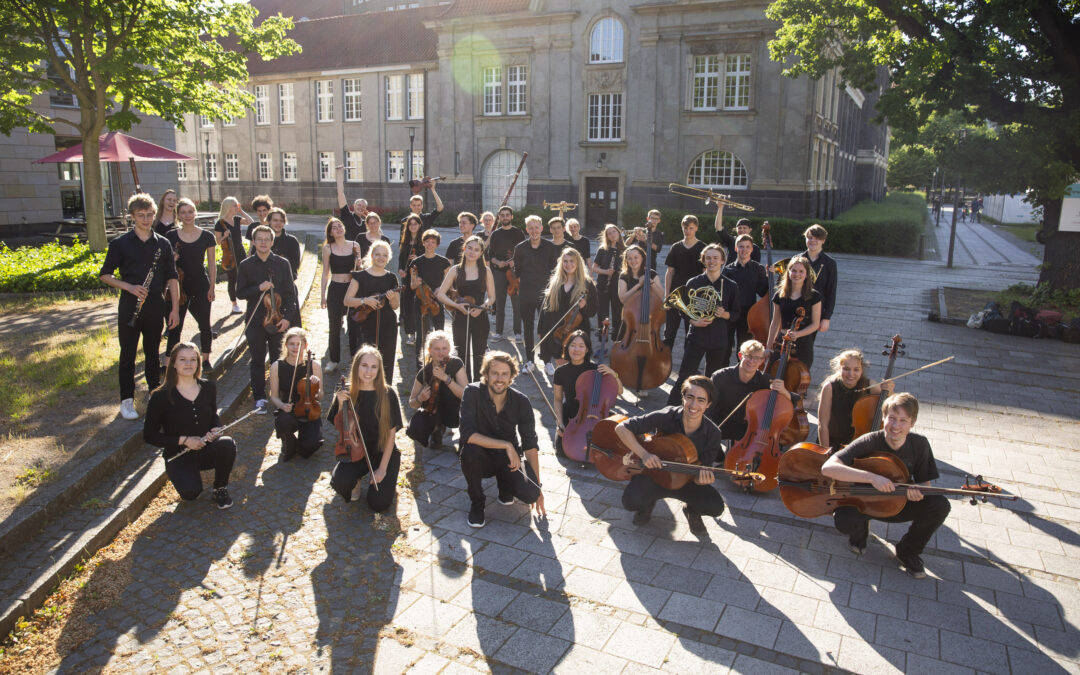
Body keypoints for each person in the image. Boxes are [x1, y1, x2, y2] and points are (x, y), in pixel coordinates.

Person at [821, 393, 950, 578]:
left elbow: (924, 483)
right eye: (892, 418)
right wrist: (872, 478)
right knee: (844, 520)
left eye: (903, 420)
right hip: (863, 503)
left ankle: (908, 550)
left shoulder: (919, 444)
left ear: (912, 423)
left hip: (897, 503)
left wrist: (918, 491)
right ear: (883, 418)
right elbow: (828, 467)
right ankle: (860, 532)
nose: (896, 426)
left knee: (939, 505)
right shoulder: (870, 440)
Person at [99, 192, 180, 420]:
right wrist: (129, 287)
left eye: (149, 215)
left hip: (155, 304)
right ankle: (127, 400)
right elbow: (105, 275)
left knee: (153, 353)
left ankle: (154, 396)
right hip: (129, 304)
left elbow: (172, 278)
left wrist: (174, 309)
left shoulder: (163, 244)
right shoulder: (120, 244)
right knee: (128, 354)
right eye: (141, 215)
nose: (146, 219)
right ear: (133, 216)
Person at [616, 376, 726, 535]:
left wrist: (701, 480)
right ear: (683, 398)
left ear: (708, 405)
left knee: (715, 506)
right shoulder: (667, 415)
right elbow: (621, 428)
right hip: (654, 476)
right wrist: (644, 454)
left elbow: (702, 469)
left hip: (687, 482)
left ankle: (692, 511)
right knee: (631, 501)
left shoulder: (713, 433)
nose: (694, 405)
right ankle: (647, 504)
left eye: (701, 400)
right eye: (690, 397)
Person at [143, 342, 235, 509]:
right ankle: (184, 475)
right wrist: (184, 440)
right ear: (174, 364)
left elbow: (213, 415)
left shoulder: (208, 387)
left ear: (198, 363)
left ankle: (220, 488)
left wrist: (216, 428)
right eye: (183, 359)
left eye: (193, 359)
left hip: (205, 448)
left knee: (227, 444)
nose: (188, 364)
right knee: (191, 493)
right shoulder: (160, 396)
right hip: (179, 454)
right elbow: (149, 436)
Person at [458, 351, 544, 528]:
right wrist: (506, 445)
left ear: (511, 376)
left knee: (530, 494)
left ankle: (505, 487)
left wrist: (537, 486)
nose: (499, 378)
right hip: (481, 456)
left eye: (504, 374)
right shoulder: (472, 392)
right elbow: (467, 434)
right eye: (495, 373)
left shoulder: (522, 401)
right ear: (486, 374)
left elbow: (530, 444)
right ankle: (477, 503)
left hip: (507, 459)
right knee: (469, 452)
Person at [327, 346, 402, 512]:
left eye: (374, 367)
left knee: (378, 504)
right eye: (364, 365)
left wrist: (382, 469)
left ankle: (386, 479)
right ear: (356, 366)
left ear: (379, 369)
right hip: (355, 451)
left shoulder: (388, 394)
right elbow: (339, 425)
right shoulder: (345, 391)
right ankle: (357, 479)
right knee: (341, 482)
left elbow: (391, 436)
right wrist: (340, 404)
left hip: (382, 451)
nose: (369, 371)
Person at [236, 224, 301, 413]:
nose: (263, 243)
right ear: (254, 242)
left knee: (277, 359)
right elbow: (239, 293)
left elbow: (290, 294)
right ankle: (259, 398)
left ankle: (278, 395)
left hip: (278, 320)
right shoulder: (245, 265)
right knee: (257, 359)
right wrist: (258, 288)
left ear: (272, 242)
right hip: (255, 321)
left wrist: (287, 319)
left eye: (267, 239)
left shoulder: (283, 263)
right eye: (260, 239)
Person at [666, 244, 741, 405]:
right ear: (703, 260)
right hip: (696, 336)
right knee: (685, 376)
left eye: (715, 258)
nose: (712, 261)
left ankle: (708, 414)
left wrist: (725, 314)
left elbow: (736, 313)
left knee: (714, 379)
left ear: (722, 260)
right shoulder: (693, 282)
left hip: (719, 339)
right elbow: (682, 309)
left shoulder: (730, 285)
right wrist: (694, 321)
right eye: (708, 258)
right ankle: (670, 411)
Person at [707, 340, 792, 454]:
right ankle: (719, 458)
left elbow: (793, 400)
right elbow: (709, 408)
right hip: (723, 421)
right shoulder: (720, 376)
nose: (752, 361)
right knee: (704, 429)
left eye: (757, 358)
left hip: (750, 428)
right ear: (740, 355)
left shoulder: (766, 380)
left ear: (762, 361)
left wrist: (784, 391)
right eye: (749, 356)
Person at [165, 197, 218, 368]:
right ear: (178, 215)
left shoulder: (207, 236)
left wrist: (212, 287)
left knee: (204, 324)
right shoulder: (171, 236)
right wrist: (172, 259)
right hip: (178, 286)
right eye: (183, 212)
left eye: (190, 211)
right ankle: (169, 363)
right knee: (175, 326)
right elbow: (165, 265)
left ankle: (206, 359)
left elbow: (211, 264)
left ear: (195, 213)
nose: (187, 215)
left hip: (200, 284)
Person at [551, 330, 622, 457]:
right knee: (562, 451)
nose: (576, 349)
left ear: (587, 350)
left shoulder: (597, 370)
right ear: (567, 348)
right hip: (571, 416)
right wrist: (559, 422)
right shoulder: (560, 371)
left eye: (581, 346)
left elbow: (620, 391)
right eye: (573, 345)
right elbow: (557, 399)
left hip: (595, 415)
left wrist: (613, 374)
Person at [437, 236, 495, 381]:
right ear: (464, 249)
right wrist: (457, 306)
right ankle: (464, 388)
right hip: (461, 317)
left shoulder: (486, 271)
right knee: (462, 354)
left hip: (480, 317)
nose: (472, 252)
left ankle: (479, 387)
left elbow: (492, 297)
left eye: (476, 250)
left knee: (480, 355)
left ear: (481, 253)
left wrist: (482, 308)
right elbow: (441, 294)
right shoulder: (455, 270)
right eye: (470, 248)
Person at [343, 240, 400, 381]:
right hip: (365, 325)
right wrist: (364, 300)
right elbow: (347, 300)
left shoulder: (391, 278)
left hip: (387, 325)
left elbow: (395, 306)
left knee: (386, 360)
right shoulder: (360, 276)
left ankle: (384, 393)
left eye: (385, 255)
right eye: (378, 254)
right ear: (371, 255)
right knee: (365, 359)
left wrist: (392, 298)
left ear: (389, 257)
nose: (381, 258)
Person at [817, 348, 894, 449]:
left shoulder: (870, 386)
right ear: (839, 368)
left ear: (862, 370)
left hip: (859, 445)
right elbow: (822, 424)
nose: (851, 374)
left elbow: (893, 403)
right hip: (832, 442)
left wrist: (890, 391)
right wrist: (825, 451)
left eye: (856, 369)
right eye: (846, 369)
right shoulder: (830, 387)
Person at [538, 248, 597, 375]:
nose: (568, 264)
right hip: (557, 333)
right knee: (561, 368)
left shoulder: (587, 284)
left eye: (572, 261)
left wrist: (584, 306)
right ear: (561, 263)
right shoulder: (555, 282)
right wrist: (541, 329)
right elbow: (545, 309)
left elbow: (592, 311)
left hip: (577, 333)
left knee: (576, 369)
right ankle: (562, 393)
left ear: (578, 263)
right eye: (565, 261)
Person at [269, 327, 324, 461]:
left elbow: (321, 396)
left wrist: (316, 389)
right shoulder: (277, 366)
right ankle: (289, 441)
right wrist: (282, 406)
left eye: (299, 344)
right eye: (292, 344)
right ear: (286, 345)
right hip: (289, 409)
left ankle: (301, 442)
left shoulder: (314, 366)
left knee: (309, 448)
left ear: (305, 345)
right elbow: (274, 396)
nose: (295, 347)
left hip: (309, 409)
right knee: (283, 421)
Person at [407, 330, 468, 449]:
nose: (441, 353)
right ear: (429, 350)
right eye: (437, 349)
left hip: (457, 408)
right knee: (415, 427)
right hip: (437, 412)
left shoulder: (456, 363)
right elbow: (412, 403)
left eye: (444, 348)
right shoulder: (424, 372)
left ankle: (465, 437)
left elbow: (466, 394)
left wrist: (446, 378)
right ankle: (436, 431)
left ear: (450, 349)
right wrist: (420, 398)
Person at [513, 215, 560, 362]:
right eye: (531, 228)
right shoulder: (520, 248)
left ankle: (546, 361)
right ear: (527, 230)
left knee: (546, 327)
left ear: (541, 228)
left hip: (545, 294)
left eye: (536, 227)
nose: (534, 231)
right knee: (527, 328)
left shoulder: (550, 247)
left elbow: (555, 271)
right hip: (526, 294)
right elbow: (517, 272)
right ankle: (529, 360)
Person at [320, 218, 363, 373]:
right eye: (334, 227)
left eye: (340, 226)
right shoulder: (328, 248)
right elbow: (325, 272)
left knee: (354, 324)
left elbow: (360, 270)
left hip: (352, 288)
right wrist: (322, 295)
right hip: (335, 288)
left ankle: (355, 357)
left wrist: (360, 265)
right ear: (330, 232)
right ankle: (333, 360)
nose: (338, 229)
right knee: (334, 326)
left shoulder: (355, 245)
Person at [766, 255, 821, 369]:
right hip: (782, 342)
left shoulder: (814, 296)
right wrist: (768, 346)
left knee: (798, 381)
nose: (797, 274)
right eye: (794, 270)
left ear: (806, 274)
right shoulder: (780, 295)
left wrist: (798, 334)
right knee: (773, 375)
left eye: (801, 271)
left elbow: (815, 324)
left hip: (803, 344)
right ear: (788, 272)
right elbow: (775, 322)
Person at [722, 233, 769, 365]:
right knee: (725, 347)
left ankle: (742, 373)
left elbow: (763, 291)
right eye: (741, 246)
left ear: (752, 249)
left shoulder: (758, 269)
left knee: (745, 349)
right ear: (736, 248)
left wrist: (770, 278)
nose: (744, 250)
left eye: (747, 247)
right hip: (730, 314)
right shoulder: (727, 270)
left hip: (749, 315)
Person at [662, 215, 706, 348]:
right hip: (676, 295)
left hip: (694, 297)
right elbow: (670, 272)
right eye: (685, 228)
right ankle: (665, 365)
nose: (688, 231)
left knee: (691, 334)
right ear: (682, 227)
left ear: (696, 228)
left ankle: (688, 367)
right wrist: (667, 295)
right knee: (669, 333)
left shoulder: (702, 248)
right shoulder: (676, 247)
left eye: (691, 228)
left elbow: (705, 274)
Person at [488, 205, 525, 341]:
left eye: (507, 215)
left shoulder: (518, 233)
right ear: (499, 217)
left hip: (514, 273)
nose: (505, 217)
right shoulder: (495, 234)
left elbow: (523, 252)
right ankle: (498, 332)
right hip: (498, 272)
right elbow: (490, 255)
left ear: (511, 217)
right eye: (502, 215)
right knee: (500, 303)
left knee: (516, 304)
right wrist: (498, 262)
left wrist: (515, 261)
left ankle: (518, 333)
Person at [407, 229, 451, 336]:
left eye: (433, 242)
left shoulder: (444, 262)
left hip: (437, 299)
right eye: (427, 241)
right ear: (423, 243)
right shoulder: (415, 262)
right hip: (421, 300)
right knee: (421, 334)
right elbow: (412, 286)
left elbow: (449, 282)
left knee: (439, 331)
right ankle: (419, 353)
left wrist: (441, 288)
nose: (430, 244)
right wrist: (416, 283)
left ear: (437, 245)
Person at [213, 196, 253, 314]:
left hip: (240, 252)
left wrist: (241, 211)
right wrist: (224, 235)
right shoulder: (220, 224)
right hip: (229, 254)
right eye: (235, 205)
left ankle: (249, 300)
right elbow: (218, 241)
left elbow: (251, 223)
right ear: (228, 207)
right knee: (232, 279)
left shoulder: (237, 219)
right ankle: (234, 304)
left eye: (237, 205)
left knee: (246, 277)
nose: (237, 207)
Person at [617, 244, 666, 337]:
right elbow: (622, 299)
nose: (633, 261)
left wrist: (650, 281)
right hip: (630, 318)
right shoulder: (624, 276)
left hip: (648, 317)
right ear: (626, 260)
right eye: (629, 258)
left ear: (642, 258)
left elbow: (660, 295)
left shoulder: (651, 273)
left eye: (636, 257)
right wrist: (638, 285)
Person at [800, 224, 837, 334]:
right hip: (796, 308)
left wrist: (826, 318)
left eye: (817, 238)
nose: (813, 241)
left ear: (823, 241)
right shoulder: (796, 259)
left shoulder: (830, 263)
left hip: (816, 312)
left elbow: (831, 292)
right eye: (810, 237)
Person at [591, 224, 625, 339]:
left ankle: (617, 338)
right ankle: (602, 338)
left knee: (618, 313)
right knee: (602, 313)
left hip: (618, 287)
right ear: (607, 236)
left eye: (614, 232)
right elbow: (594, 268)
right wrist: (606, 272)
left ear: (618, 232)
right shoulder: (603, 249)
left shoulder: (625, 250)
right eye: (609, 233)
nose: (612, 235)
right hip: (603, 286)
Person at [398, 214, 425, 347]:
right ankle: (411, 333)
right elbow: (401, 259)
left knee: (419, 305)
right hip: (407, 278)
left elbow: (427, 259)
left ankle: (422, 331)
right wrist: (400, 270)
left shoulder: (423, 242)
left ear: (420, 225)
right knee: (408, 305)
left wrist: (418, 257)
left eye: (415, 224)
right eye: (410, 224)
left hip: (419, 277)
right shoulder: (405, 241)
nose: (413, 226)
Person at [335, 164, 369, 241]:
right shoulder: (347, 215)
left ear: (365, 209)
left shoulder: (365, 223)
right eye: (359, 205)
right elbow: (340, 193)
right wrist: (339, 174)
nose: (361, 207)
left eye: (363, 206)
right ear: (354, 205)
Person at [266, 207, 301, 280]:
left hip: (286, 281)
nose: (278, 223)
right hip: (265, 280)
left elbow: (295, 265)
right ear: (269, 221)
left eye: (281, 221)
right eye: (275, 220)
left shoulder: (292, 241)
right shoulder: (261, 239)